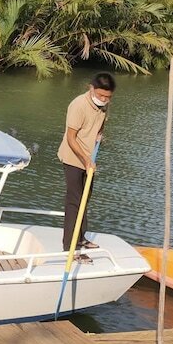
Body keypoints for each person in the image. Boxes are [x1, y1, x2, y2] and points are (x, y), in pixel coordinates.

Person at [57, 72, 114, 264]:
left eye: (108, 97)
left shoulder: (104, 106)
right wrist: (85, 159)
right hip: (73, 158)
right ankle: (70, 248)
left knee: (85, 198)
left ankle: (81, 238)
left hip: (89, 158)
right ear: (91, 89)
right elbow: (71, 138)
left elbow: (99, 126)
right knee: (74, 202)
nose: (104, 100)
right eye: (100, 96)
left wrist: (99, 136)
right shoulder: (78, 105)